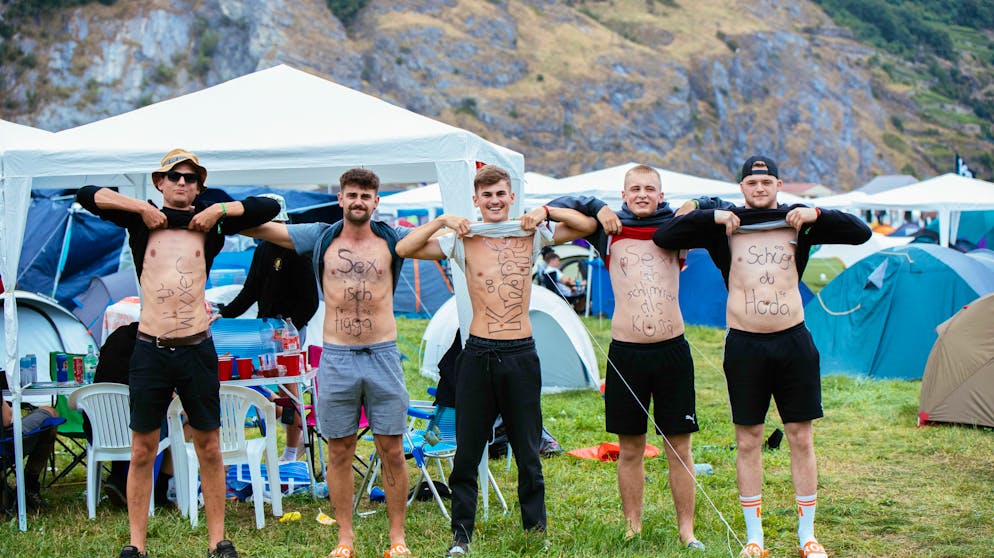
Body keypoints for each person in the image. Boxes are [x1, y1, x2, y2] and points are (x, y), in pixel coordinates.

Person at [653, 155, 871, 558]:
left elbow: (861, 233)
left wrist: (817, 211)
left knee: (800, 437)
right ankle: (755, 538)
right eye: (752, 183)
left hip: (793, 342)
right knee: (748, 439)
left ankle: (808, 536)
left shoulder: (796, 220)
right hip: (745, 344)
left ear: (778, 184)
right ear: (741, 187)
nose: (759, 188)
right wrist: (709, 213)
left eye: (766, 181)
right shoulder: (727, 224)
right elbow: (666, 235)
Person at [76, 148, 280, 558]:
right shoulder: (139, 219)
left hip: (196, 348)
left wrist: (218, 210)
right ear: (160, 183)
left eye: (190, 178)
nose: (182, 183)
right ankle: (136, 544)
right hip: (150, 348)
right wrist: (140, 207)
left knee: (209, 444)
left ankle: (218, 540)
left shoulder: (212, 222)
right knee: (141, 448)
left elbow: (268, 205)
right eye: (175, 177)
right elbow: (86, 193)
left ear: (199, 186)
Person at [395, 164, 596, 556]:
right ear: (476, 201)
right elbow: (404, 248)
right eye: (487, 196)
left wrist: (547, 211)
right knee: (468, 449)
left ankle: (535, 530)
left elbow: (587, 226)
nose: (495, 202)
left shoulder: (530, 231)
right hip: (479, 351)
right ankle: (461, 535)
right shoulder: (463, 238)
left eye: (501, 194)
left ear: (511, 197)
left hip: (520, 351)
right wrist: (441, 220)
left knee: (527, 447)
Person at [543, 164, 730, 549]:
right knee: (630, 447)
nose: (642, 194)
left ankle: (687, 531)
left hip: (672, 351)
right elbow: (563, 207)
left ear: (661, 194)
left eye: (650, 188)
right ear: (624, 194)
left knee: (679, 447)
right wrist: (596, 206)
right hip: (626, 354)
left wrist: (695, 203)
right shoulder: (608, 229)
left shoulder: (678, 228)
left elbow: (727, 207)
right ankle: (632, 528)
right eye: (635, 189)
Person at [242, 168, 414, 558]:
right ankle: (345, 539)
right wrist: (217, 211)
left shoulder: (394, 238)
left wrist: (446, 220)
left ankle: (397, 538)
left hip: (384, 354)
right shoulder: (320, 236)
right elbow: (261, 230)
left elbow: (440, 243)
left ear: (376, 202)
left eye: (365, 196)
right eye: (351, 194)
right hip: (336, 357)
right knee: (339, 448)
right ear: (340, 198)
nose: (358, 202)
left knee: (391, 447)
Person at [219, 193, 319, 463]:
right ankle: (278, 436)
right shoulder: (263, 249)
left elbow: (310, 301)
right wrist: (222, 314)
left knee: (290, 390)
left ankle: (291, 450)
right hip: (262, 331)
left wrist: (289, 329)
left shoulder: (297, 250)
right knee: (256, 384)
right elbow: (250, 291)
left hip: (288, 333)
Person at [2, 399, 59, 512]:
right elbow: (6, 420)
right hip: (6, 445)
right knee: (49, 412)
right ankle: (29, 484)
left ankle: (4, 490)